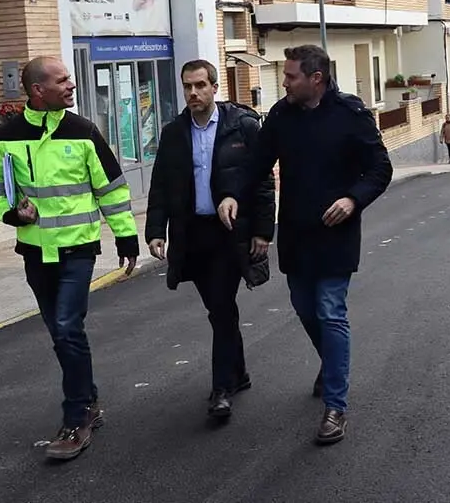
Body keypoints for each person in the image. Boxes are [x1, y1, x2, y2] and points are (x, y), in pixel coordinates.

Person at [218, 44, 392, 445]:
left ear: (316, 78)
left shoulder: (351, 115)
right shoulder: (281, 115)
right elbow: (256, 164)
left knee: (330, 310)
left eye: (290, 75)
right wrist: (232, 194)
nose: (284, 82)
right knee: (304, 308)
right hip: (296, 233)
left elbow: (380, 168)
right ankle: (332, 363)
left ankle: (336, 406)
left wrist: (352, 199)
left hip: (336, 234)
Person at [0, 56, 139, 462]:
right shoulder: (7, 136)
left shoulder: (83, 132)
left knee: (67, 327)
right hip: (35, 252)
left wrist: (127, 239)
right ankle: (89, 399)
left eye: (70, 78)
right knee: (60, 333)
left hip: (79, 249)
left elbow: (112, 190)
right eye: (62, 80)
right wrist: (12, 214)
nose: (72, 85)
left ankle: (77, 418)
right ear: (37, 90)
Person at [144, 60, 275, 419]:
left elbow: (263, 181)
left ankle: (221, 389)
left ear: (215, 88)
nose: (193, 93)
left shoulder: (242, 126)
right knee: (219, 309)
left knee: (220, 305)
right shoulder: (174, 133)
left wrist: (264, 231)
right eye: (187, 87)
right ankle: (240, 372)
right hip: (192, 233)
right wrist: (155, 231)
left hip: (230, 234)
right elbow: (161, 185)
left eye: (200, 85)